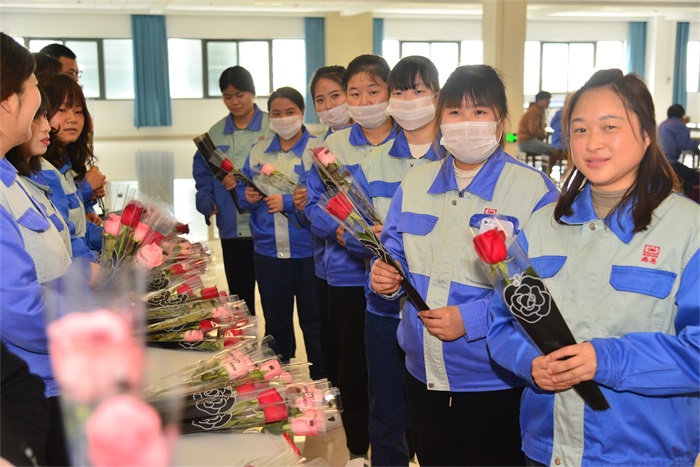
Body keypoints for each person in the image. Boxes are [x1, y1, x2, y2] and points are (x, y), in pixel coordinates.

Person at [487, 69, 699, 466]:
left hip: (643, 455)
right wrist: (529, 363)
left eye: (610, 127)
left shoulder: (689, 229)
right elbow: (501, 321)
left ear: (647, 134)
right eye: (580, 130)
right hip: (547, 450)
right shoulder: (542, 226)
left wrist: (608, 359)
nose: (593, 143)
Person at [370, 64, 559, 467]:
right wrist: (384, 275)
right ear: (440, 119)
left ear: (500, 120)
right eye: (455, 112)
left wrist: (472, 319)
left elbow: (546, 289)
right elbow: (393, 249)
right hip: (422, 372)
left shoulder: (534, 191)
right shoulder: (415, 183)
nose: (466, 122)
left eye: (479, 112)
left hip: (495, 379)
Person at [0, 32, 90, 466]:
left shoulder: (14, 179)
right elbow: (16, 307)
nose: (52, 121)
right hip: (32, 380)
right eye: (34, 86)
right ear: (8, 102)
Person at [349, 55, 443, 467]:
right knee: (387, 417)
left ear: (436, 96)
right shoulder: (374, 161)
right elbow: (351, 226)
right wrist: (372, 243)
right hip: (384, 311)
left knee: (435, 421)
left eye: (417, 90)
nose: (408, 100)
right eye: (399, 91)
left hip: (438, 313)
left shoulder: (456, 157)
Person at [304, 54, 397, 467]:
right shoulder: (331, 149)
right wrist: (343, 233)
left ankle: (401, 445)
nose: (363, 101)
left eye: (373, 91)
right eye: (354, 94)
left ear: (390, 93)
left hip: (401, 281)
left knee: (396, 369)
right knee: (353, 368)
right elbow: (313, 204)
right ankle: (358, 448)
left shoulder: (413, 143)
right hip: (346, 276)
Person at [232, 86, 325, 380]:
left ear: (302, 113)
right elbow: (243, 193)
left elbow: (325, 196)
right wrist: (248, 196)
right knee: (276, 323)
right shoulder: (258, 151)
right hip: (269, 253)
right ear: (269, 116)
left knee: (315, 323)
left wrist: (288, 202)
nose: (283, 118)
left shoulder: (318, 149)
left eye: (290, 112)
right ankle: (278, 383)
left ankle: (323, 384)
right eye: (276, 113)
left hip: (309, 253)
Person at [194, 65, 272, 316]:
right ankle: (246, 339)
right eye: (228, 97)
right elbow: (203, 171)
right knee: (240, 298)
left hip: (268, 226)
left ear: (252, 93)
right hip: (232, 227)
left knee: (273, 296)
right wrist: (205, 197)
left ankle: (276, 341)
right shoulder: (216, 133)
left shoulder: (271, 127)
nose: (234, 102)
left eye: (240, 95)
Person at [295, 65, 351, 387]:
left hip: (366, 271)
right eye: (320, 99)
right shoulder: (318, 148)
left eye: (336, 96)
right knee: (333, 347)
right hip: (328, 263)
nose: (329, 106)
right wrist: (303, 202)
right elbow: (310, 208)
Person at [38, 72, 102, 260]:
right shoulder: (44, 170)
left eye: (78, 111)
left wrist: (116, 236)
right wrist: (86, 188)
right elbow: (63, 236)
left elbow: (78, 231)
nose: (72, 118)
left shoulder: (65, 162)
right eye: (62, 110)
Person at [518, 90, 565, 174]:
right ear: (540, 100)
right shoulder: (534, 110)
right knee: (552, 150)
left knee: (552, 149)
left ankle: (545, 173)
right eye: (547, 100)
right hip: (526, 141)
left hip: (530, 140)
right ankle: (545, 174)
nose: (549, 102)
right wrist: (543, 134)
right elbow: (533, 130)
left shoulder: (539, 111)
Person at [658, 103, 699, 198]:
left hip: (660, 162)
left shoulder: (663, 124)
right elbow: (686, 144)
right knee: (693, 175)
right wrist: (698, 142)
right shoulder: (679, 125)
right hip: (670, 164)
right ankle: (686, 197)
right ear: (682, 115)